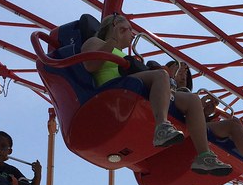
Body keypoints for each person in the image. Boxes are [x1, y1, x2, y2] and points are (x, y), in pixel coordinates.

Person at [81, 14, 227, 176]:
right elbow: (90, 64)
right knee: (160, 75)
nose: (132, 34)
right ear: (115, 26)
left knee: (192, 100)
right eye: (128, 29)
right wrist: (114, 40)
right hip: (113, 92)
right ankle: (162, 127)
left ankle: (203, 155)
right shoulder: (95, 42)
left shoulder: (128, 55)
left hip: (133, 90)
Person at [159, 61, 243, 185]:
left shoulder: (190, 95)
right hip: (180, 126)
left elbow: (194, 117)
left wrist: (206, 112)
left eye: (186, 72)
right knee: (233, 124)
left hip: (195, 126)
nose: (183, 74)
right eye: (179, 70)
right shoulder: (167, 87)